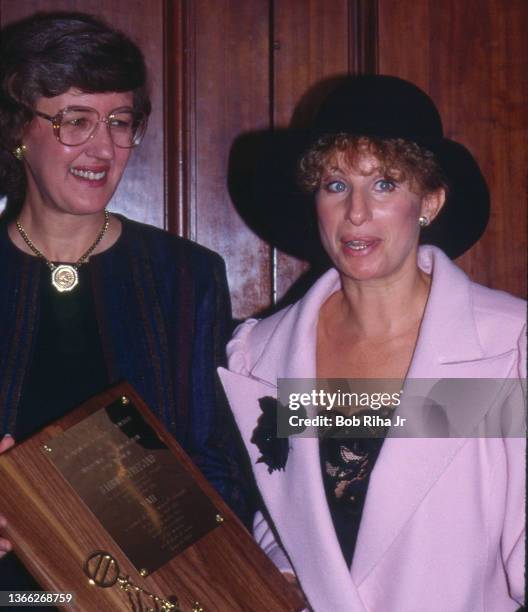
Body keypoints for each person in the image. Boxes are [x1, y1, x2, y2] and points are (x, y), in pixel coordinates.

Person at [219, 75, 526, 611]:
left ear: (429, 200)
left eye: (384, 183)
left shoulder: (508, 345)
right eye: (335, 185)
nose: (355, 213)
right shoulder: (263, 354)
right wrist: (283, 571)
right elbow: (284, 514)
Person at [0, 11, 249, 590]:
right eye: (74, 120)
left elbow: (218, 459)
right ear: (18, 130)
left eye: (119, 121)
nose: (103, 147)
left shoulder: (186, 275)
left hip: (147, 595)